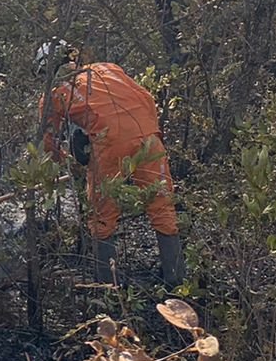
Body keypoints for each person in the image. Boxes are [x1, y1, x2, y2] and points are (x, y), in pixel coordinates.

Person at [35, 40, 185, 286]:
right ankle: (177, 282)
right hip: (148, 136)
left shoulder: (53, 95)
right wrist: (148, 133)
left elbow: (48, 141)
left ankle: (107, 288)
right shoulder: (108, 68)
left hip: (110, 143)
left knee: (102, 218)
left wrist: (66, 163)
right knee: (162, 207)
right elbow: (146, 98)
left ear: (46, 70)